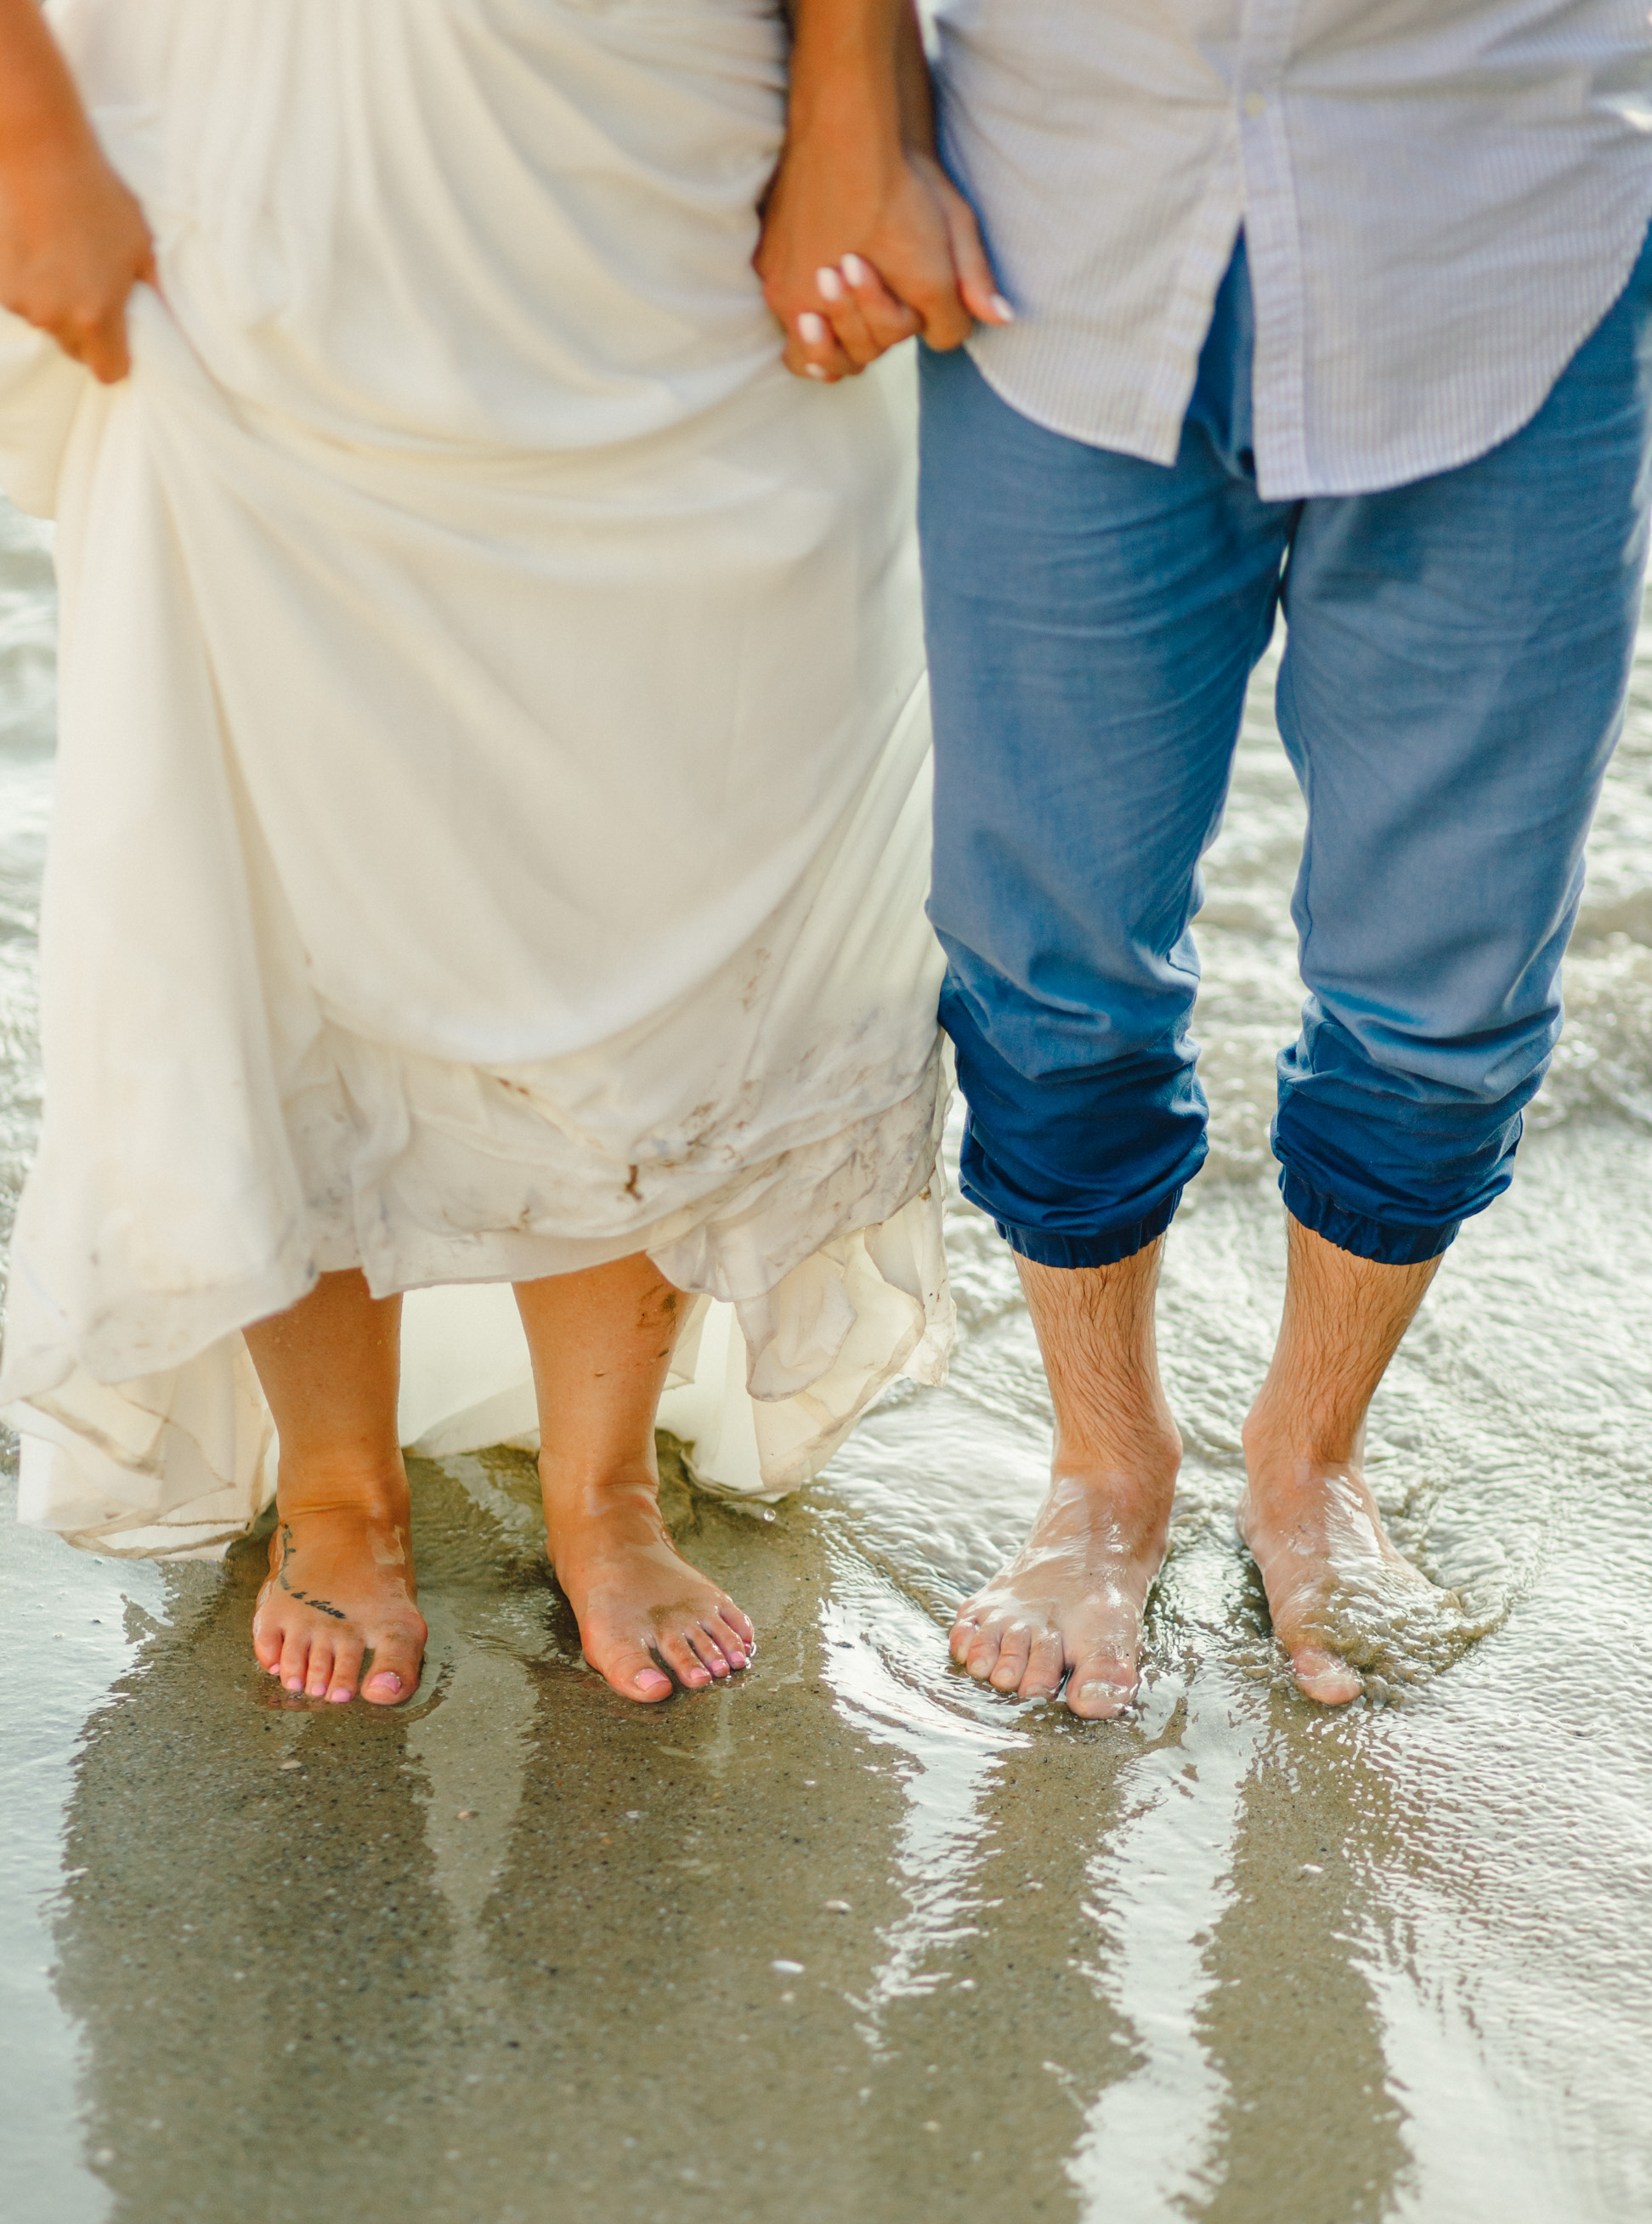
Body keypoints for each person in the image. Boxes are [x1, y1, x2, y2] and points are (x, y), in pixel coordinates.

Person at [0, 0, 998, 1708]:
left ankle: (600, 1481)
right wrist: (22, 124)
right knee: (272, 828)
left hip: (641, 131)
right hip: (239, 126)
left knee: (654, 818)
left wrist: (855, 96)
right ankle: (336, 1485)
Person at [760, 0, 1652, 1712]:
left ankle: (1309, 1457)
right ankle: (1105, 1467)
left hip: (1509, 203)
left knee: (1447, 988)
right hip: (1059, 202)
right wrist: (852, 118)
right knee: (1046, 955)